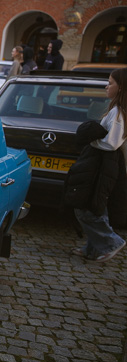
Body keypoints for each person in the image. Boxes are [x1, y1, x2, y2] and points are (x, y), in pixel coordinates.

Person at [69, 70, 127, 262]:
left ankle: (112, 242)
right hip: (103, 164)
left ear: (121, 87)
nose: (106, 86)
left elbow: (111, 143)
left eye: (110, 83)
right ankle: (92, 249)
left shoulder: (118, 112)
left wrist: (91, 141)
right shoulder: (115, 110)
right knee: (95, 203)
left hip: (104, 165)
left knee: (88, 206)